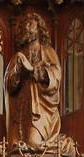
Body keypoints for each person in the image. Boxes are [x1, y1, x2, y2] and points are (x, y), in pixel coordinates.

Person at [5, 11, 63, 148]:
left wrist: (35, 71)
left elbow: (55, 76)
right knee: (14, 146)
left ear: (39, 29)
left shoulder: (47, 51)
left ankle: (57, 144)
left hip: (40, 110)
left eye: (30, 25)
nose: (26, 28)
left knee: (32, 144)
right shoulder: (17, 57)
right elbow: (9, 85)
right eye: (24, 25)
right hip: (21, 109)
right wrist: (19, 73)